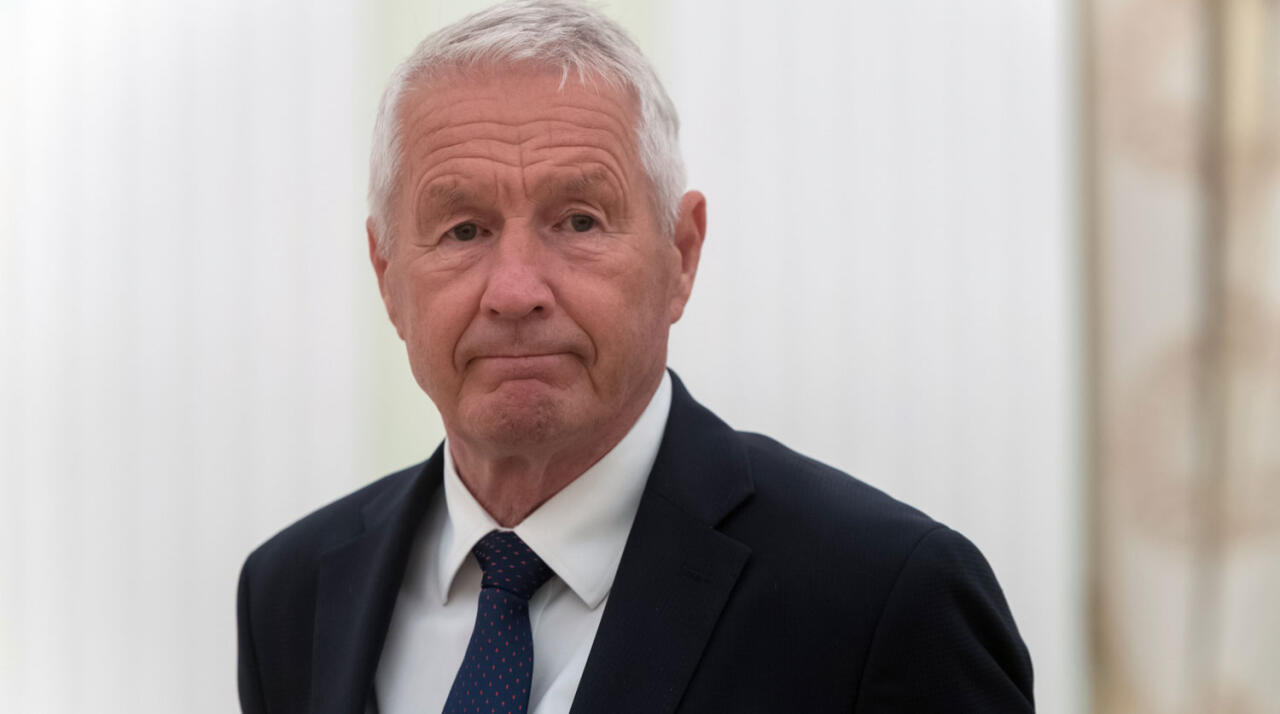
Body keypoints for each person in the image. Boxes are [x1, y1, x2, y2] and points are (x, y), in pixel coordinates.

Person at [236, 1, 1035, 712]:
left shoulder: (885, 599)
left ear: (681, 256)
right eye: (464, 230)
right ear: (387, 278)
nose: (515, 290)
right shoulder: (292, 593)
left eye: (579, 221)